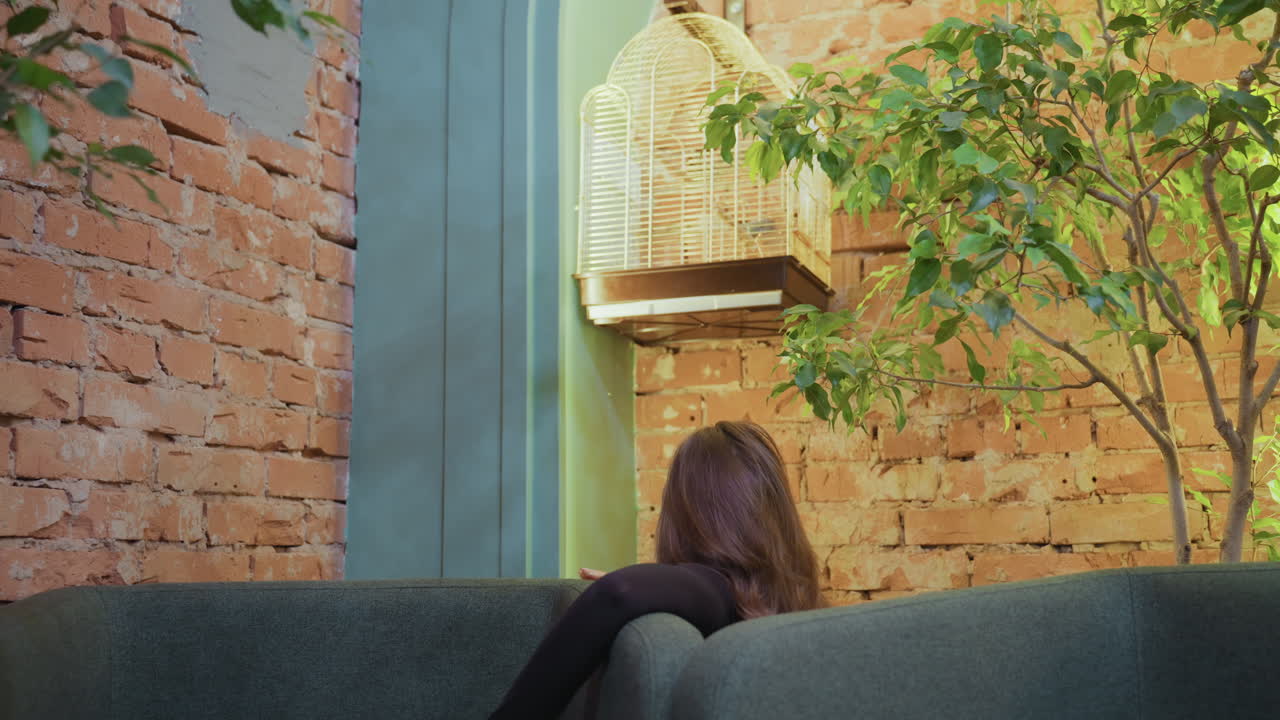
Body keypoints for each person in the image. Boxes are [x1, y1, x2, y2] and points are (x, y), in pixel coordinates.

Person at [488, 421, 824, 719]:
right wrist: (663, 588)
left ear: (686, 511)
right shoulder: (792, 600)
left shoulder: (717, 589)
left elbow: (619, 592)